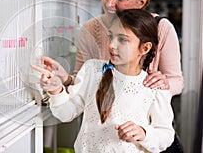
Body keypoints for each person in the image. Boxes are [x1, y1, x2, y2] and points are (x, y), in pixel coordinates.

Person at [32, 9, 175, 152]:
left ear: (145, 48)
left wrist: (143, 133)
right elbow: (66, 113)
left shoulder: (154, 87)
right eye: (111, 36)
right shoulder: (92, 70)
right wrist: (56, 90)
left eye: (122, 39)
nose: (112, 45)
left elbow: (166, 135)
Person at [40, 0, 184, 96]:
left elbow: (176, 81)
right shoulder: (90, 29)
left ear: (142, 2)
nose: (109, 3)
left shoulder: (162, 28)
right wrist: (64, 79)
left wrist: (164, 83)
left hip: (146, 121)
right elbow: (82, 82)